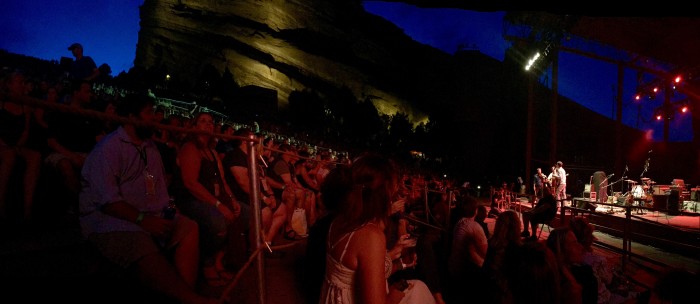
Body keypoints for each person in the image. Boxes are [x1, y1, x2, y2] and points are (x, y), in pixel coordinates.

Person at [78, 94, 217, 303]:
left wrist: (171, 211)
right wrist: (143, 220)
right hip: (111, 218)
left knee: (189, 227)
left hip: (147, 214)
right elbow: (107, 201)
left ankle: (184, 292)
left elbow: (155, 189)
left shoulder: (149, 148)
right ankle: (191, 299)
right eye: (149, 113)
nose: (155, 118)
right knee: (138, 239)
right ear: (132, 117)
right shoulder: (109, 148)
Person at [319, 153, 434, 304]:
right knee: (419, 289)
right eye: (392, 193)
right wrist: (393, 295)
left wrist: (399, 263)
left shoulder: (339, 219)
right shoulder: (370, 235)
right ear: (382, 194)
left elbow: (359, 273)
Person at [172, 111, 244, 287]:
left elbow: (222, 181)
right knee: (218, 221)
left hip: (213, 197)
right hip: (191, 199)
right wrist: (219, 204)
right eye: (203, 121)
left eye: (211, 122)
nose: (208, 124)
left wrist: (232, 199)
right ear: (195, 126)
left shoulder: (211, 152)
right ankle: (207, 263)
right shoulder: (189, 147)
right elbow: (190, 184)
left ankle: (220, 260)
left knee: (244, 213)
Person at [0, 71, 42, 222]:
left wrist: (19, 144)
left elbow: (25, 130)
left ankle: (27, 210)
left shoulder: (26, 105)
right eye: (19, 82)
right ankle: (1, 204)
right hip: (2, 143)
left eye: (23, 82)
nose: (22, 85)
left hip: (17, 144)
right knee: (9, 157)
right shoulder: (2, 102)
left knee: (35, 157)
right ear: (9, 85)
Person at [547, 227, 597, 304]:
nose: (581, 247)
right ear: (560, 249)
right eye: (574, 243)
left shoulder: (583, 272)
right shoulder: (582, 278)